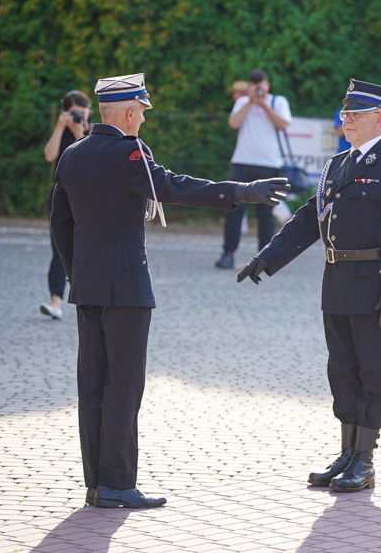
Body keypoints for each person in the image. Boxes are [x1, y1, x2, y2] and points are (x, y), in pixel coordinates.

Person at [50, 73, 289, 508]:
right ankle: (118, 484)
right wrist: (239, 191)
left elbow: (59, 225)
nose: (143, 115)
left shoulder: (72, 155)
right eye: (141, 109)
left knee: (92, 386)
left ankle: (96, 484)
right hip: (125, 287)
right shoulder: (130, 153)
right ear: (126, 112)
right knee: (122, 385)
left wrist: (76, 274)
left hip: (86, 288)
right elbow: (174, 186)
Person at [237, 79, 381, 493]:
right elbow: (309, 219)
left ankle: (365, 459)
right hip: (337, 283)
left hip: (377, 288)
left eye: (355, 115)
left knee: (374, 371)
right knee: (342, 369)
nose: (347, 121)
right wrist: (267, 257)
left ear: (380, 119)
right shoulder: (336, 166)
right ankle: (345, 453)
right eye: (344, 114)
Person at [215, 69, 293, 270]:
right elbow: (233, 123)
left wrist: (264, 105)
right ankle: (228, 254)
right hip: (242, 163)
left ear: (267, 85)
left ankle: (264, 257)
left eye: (261, 85)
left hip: (270, 164)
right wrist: (250, 102)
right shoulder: (242, 102)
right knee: (233, 210)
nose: (258, 89)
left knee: (266, 213)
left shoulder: (278, 102)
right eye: (253, 85)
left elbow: (284, 125)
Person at [40, 90, 92, 320]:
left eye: (83, 112)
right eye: (74, 113)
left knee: (88, 248)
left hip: (88, 197)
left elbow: (88, 162)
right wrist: (60, 128)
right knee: (59, 247)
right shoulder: (62, 131)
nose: (80, 116)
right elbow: (49, 156)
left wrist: (79, 132)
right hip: (61, 196)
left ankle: (89, 300)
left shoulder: (97, 133)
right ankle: (55, 302)